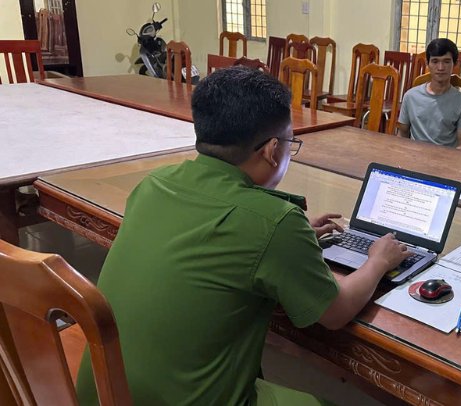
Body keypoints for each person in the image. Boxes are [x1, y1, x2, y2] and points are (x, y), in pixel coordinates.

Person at [75, 66, 411, 406]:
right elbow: (336, 313)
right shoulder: (274, 223)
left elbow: (217, 236)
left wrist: (291, 236)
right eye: (290, 144)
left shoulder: (154, 184)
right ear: (271, 150)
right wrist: (379, 261)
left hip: (103, 393)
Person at [396, 38, 461, 149]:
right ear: (427, 63)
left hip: (446, 161)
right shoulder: (410, 96)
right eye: (435, 61)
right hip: (413, 159)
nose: (441, 68)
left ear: (455, 64)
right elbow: (402, 134)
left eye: (446, 62)